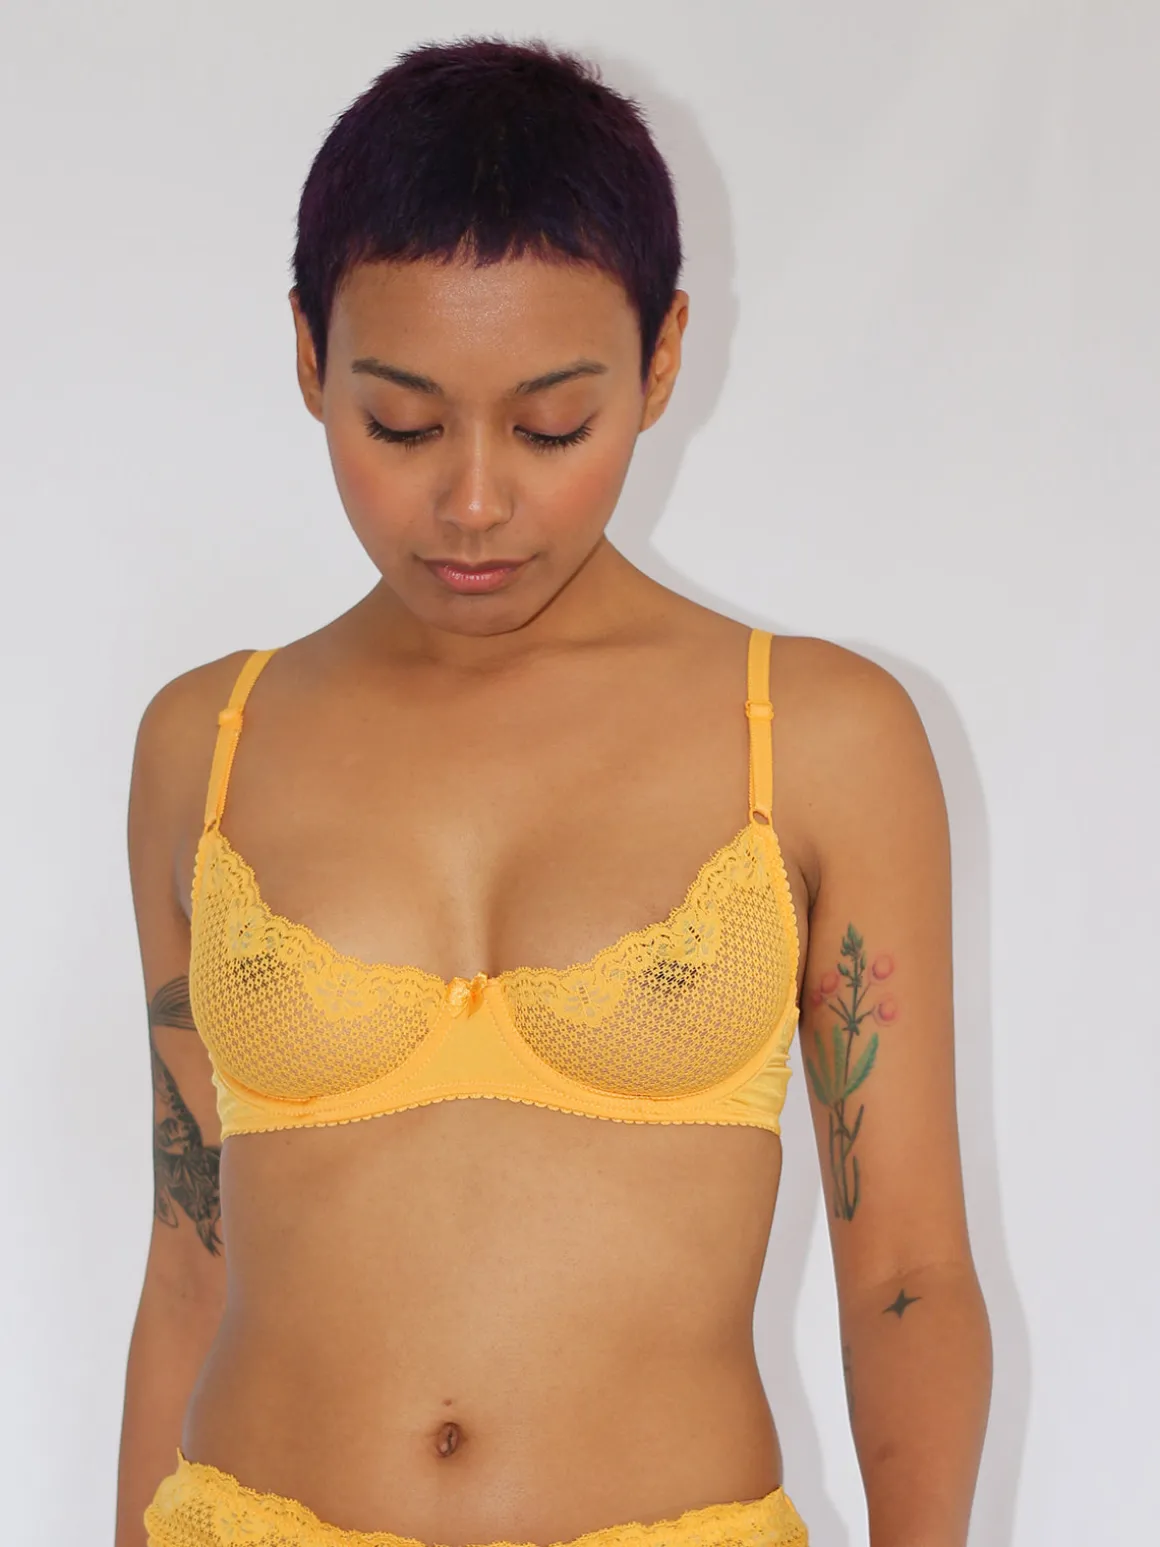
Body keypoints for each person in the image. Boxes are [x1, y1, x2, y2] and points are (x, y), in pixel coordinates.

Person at [116, 36, 991, 1547]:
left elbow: (906, 1273)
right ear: (310, 356)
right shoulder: (208, 742)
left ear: (662, 359)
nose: (473, 500)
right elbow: (189, 1262)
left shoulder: (820, 736)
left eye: (551, 427)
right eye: (401, 424)